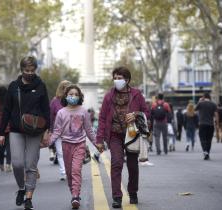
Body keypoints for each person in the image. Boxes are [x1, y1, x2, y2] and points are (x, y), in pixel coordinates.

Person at [0, 56, 50, 210]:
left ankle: (29, 196)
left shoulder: (40, 85)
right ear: (21, 70)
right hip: (16, 130)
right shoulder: (14, 86)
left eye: (32, 70)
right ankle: (21, 187)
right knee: (17, 163)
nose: (29, 73)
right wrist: (1, 132)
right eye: (26, 70)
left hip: (35, 131)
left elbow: (46, 109)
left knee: (31, 166)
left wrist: (47, 130)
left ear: (35, 70)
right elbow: (6, 110)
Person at [96, 66, 149, 208]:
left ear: (127, 80)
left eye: (120, 78)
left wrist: (136, 114)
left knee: (132, 166)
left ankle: (133, 193)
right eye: (115, 78)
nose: (117, 80)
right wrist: (99, 140)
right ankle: (117, 197)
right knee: (116, 163)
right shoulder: (109, 96)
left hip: (132, 135)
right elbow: (102, 118)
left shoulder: (136, 94)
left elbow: (146, 112)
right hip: (114, 135)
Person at [50, 84, 97, 209]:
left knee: (76, 170)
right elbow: (57, 131)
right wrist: (48, 142)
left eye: (76, 94)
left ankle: (75, 196)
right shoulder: (61, 113)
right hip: (66, 145)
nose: (73, 96)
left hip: (80, 145)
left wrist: (97, 143)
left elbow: (89, 130)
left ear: (80, 97)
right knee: (70, 173)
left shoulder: (83, 111)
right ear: (66, 96)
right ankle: (73, 192)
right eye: (71, 94)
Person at [49, 80, 71, 181]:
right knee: (60, 152)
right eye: (64, 87)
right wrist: (49, 130)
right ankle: (63, 172)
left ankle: (71, 171)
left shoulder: (73, 99)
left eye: (68, 87)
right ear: (60, 88)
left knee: (70, 152)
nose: (65, 90)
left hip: (71, 131)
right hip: (58, 131)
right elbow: (50, 117)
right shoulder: (55, 101)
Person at [0, 86, 12, 172]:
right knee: (9, 147)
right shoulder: (9, 102)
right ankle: (8, 164)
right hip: (10, 127)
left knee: (1, 147)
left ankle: (1, 164)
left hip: (0, 128)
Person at [195, 93, 217, 160]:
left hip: (202, 124)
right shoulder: (213, 104)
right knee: (209, 140)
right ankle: (207, 152)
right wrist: (217, 124)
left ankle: (205, 151)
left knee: (202, 138)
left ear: (204, 97)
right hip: (211, 124)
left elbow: (195, 109)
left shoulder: (201, 103)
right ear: (210, 97)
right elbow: (216, 115)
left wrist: (199, 101)